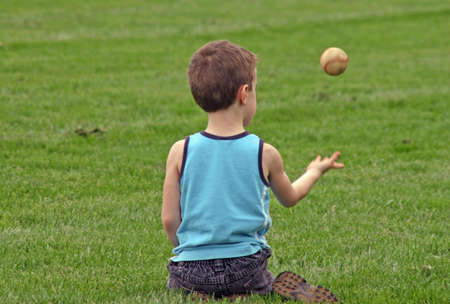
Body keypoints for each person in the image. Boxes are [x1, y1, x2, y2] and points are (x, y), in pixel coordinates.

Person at [161, 40, 344, 301]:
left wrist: (191, 253)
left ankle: (199, 291)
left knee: (184, 282)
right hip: (245, 266)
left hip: (189, 269)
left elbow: (169, 220)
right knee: (261, 280)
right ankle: (264, 287)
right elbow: (290, 197)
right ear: (244, 94)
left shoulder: (180, 150)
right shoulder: (264, 153)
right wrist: (315, 171)